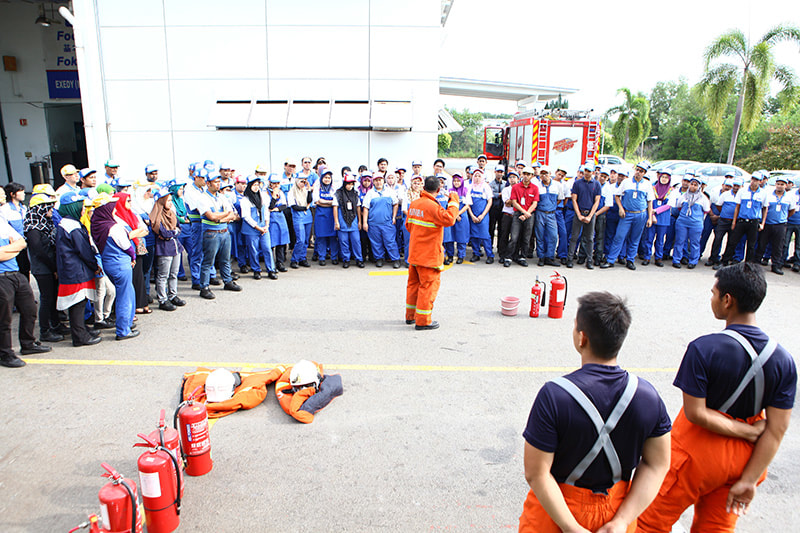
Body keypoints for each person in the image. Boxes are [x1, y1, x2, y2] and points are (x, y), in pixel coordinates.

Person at [637, 263, 796, 532]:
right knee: (717, 528)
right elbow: (777, 429)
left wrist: (744, 431)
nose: (711, 299)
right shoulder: (783, 360)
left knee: (648, 522)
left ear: (727, 300)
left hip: (698, 452)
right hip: (746, 458)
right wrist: (749, 479)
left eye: (713, 293)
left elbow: (696, 413)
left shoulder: (704, 348)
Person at [519, 291, 671, 533]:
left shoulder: (554, 395)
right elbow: (658, 465)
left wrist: (571, 527)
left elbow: (536, 473)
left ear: (582, 338)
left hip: (557, 510)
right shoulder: (647, 397)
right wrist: (621, 521)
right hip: (618, 509)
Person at [404, 176, 458, 331]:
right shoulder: (433, 207)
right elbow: (449, 219)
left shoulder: (415, 204)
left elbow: (409, 226)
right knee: (428, 287)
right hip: (428, 256)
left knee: (413, 285)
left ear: (424, 187)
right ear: (438, 190)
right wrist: (453, 200)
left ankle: (410, 316)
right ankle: (423, 320)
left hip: (414, 254)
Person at [90, 194, 142, 341]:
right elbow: (126, 246)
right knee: (124, 296)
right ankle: (123, 330)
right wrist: (132, 257)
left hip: (108, 263)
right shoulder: (114, 227)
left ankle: (126, 323)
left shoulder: (97, 223)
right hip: (120, 264)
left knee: (125, 292)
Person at [54, 192, 101, 346]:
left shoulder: (67, 223)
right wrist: (95, 266)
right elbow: (84, 250)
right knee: (77, 304)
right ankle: (80, 336)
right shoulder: (71, 226)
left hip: (75, 270)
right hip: (75, 271)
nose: (83, 211)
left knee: (79, 304)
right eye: (81, 207)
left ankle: (82, 330)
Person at [24, 192, 64, 343]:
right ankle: (45, 331)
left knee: (53, 296)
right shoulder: (33, 228)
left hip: (50, 267)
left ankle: (56, 325)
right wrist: (53, 268)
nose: (52, 211)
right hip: (43, 269)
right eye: (49, 208)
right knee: (46, 299)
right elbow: (39, 251)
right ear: (40, 208)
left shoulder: (45, 224)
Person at [602, 162, 655, 271]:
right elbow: (617, 196)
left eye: (641, 171)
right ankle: (611, 260)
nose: (638, 173)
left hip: (640, 214)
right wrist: (621, 208)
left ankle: (630, 260)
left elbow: (650, 202)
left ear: (644, 173)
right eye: (637, 170)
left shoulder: (647, 184)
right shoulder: (626, 182)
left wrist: (649, 218)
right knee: (619, 236)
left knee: (635, 238)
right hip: (627, 213)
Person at [197, 172, 241, 299]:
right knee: (208, 261)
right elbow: (210, 216)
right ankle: (204, 287)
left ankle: (227, 281)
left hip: (224, 231)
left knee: (225, 259)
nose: (218, 184)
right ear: (208, 183)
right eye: (215, 182)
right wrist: (223, 216)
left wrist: (219, 218)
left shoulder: (221, 197)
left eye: (218, 182)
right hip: (211, 233)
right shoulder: (203, 198)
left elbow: (232, 214)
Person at [715, 175, 767, 269]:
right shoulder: (743, 191)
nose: (754, 182)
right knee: (732, 242)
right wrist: (734, 222)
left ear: (760, 181)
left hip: (754, 221)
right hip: (741, 220)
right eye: (753, 179)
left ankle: (748, 265)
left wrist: (762, 223)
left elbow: (765, 208)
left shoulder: (763, 193)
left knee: (751, 245)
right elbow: (737, 207)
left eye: (757, 180)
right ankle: (725, 261)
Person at [149, 188, 187, 310]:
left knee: (174, 273)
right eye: (168, 200)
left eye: (171, 200)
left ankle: (173, 295)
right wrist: (173, 232)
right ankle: (162, 299)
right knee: (163, 275)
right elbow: (163, 233)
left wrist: (173, 232)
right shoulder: (157, 215)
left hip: (175, 247)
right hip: (164, 248)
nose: (170, 203)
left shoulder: (171, 213)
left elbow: (179, 228)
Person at [239, 176, 278, 280]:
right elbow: (246, 216)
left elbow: (266, 212)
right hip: (251, 229)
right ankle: (256, 270)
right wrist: (258, 227)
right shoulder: (245, 200)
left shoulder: (263, 197)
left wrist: (266, 225)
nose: (256, 187)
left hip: (263, 227)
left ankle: (271, 269)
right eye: (254, 185)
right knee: (253, 250)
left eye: (258, 185)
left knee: (267, 248)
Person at [755, 176, 794, 275]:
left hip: (780, 225)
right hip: (768, 223)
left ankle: (776, 265)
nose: (779, 186)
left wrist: (784, 217)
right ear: (775, 185)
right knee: (762, 244)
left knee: (778, 246)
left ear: (785, 186)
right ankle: (757, 264)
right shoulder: (769, 195)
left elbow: (792, 210)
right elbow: (764, 208)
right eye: (778, 184)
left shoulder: (789, 197)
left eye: (782, 184)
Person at [669, 176, 711, 269]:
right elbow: (679, 206)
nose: (693, 186)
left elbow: (706, 210)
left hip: (696, 224)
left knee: (694, 243)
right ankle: (676, 260)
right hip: (682, 222)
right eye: (691, 184)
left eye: (695, 185)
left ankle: (693, 261)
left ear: (699, 187)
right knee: (679, 241)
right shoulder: (683, 196)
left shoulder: (703, 198)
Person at [362, 173, 401, 268]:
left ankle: (395, 259)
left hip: (387, 223)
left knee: (390, 241)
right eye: (376, 180)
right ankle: (379, 258)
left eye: (380, 180)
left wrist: (393, 216)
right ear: (373, 182)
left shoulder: (390, 192)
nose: (378, 182)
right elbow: (366, 208)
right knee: (376, 242)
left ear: (383, 180)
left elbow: (395, 204)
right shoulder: (370, 193)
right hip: (373, 223)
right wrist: (365, 222)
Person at [567, 165, 602, 269]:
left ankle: (589, 260)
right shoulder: (577, 183)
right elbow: (574, 199)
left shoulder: (597, 184)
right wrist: (579, 215)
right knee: (574, 236)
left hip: (590, 214)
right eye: (585, 170)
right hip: (579, 212)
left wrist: (590, 216)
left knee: (590, 238)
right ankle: (570, 259)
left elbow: (597, 201)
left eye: (589, 171)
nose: (587, 172)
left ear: (593, 172)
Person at [503, 166, 539, 267]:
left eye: (528, 174)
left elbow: (534, 203)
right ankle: (508, 257)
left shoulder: (535, 188)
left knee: (526, 237)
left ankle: (522, 256)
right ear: (522, 175)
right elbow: (514, 202)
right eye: (525, 174)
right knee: (514, 237)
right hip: (518, 214)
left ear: (532, 176)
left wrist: (527, 214)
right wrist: (524, 212)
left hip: (529, 215)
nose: (526, 176)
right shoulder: (516, 187)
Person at [333, 173, 364, 268]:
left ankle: (359, 259)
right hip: (342, 219)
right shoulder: (338, 194)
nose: (350, 186)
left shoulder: (355, 194)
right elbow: (335, 208)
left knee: (356, 241)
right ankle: (346, 259)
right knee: (343, 241)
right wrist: (336, 222)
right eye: (348, 183)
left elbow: (358, 208)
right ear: (344, 183)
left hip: (354, 220)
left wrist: (359, 221)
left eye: (352, 184)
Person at [534, 167, 563, 267]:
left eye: (546, 173)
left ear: (550, 173)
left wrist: (552, 206)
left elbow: (560, 199)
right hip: (540, 213)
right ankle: (541, 257)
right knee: (540, 235)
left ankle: (549, 257)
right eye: (542, 174)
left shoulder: (557, 185)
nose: (544, 176)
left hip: (551, 213)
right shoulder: (537, 186)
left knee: (553, 236)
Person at [1, 182, 30, 280]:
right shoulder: (5, 209)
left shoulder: (24, 208)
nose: (23, 194)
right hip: (14, 244)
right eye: (20, 191)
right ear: (12, 194)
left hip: (26, 243)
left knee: (26, 269)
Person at [467, 169, 495, 264]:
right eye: (475, 176)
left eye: (479, 176)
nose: (477, 178)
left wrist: (482, 215)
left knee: (485, 236)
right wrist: (472, 215)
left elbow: (489, 202)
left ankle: (490, 255)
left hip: (483, 216)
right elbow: (468, 204)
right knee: (474, 236)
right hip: (473, 215)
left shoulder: (486, 187)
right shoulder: (470, 187)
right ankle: (476, 253)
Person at [312, 169, 339, 266]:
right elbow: (316, 201)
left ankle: (334, 257)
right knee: (321, 237)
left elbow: (336, 201)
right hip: (320, 216)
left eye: (329, 178)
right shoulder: (317, 187)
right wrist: (330, 203)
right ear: (321, 178)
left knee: (333, 237)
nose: (327, 179)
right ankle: (322, 257)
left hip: (332, 215)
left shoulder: (334, 188)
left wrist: (323, 202)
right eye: (325, 177)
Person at [288, 175, 314, 269]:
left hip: (307, 216)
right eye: (301, 182)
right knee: (300, 239)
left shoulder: (305, 190)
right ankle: (294, 259)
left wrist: (309, 189)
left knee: (306, 239)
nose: (302, 184)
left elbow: (309, 200)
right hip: (298, 215)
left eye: (304, 182)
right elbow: (294, 206)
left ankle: (303, 258)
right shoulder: (292, 192)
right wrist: (304, 208)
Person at [445, 173, 471, 265]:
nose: (456, 183)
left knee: (461, 238)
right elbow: (447, 204)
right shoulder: (449, 191)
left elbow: (467, 205)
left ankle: (461, 256)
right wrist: (454, 215)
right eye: (454, 181)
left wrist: (458, 214)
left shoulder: (465, 191)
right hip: (451, 216)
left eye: (458, 181)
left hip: (462, 216)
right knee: (450, 237)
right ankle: (450, 255)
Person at [266, 175, 290, 272]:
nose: (276, 185)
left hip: (280, 218)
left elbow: (284, 205)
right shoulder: (265, 193)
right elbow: (269, 207)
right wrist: (274, 197)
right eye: (273, 183)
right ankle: (271, 263)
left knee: (281, 241)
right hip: (271, 219)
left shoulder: (281, 193)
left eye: (277, 183)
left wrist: (276, 208)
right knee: (271, 242)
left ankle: (280, 262)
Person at [498, 170, 520, 266]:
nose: (512, 179)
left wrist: (513, 201)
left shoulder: (521, 189)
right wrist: (515, 200)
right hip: (507, 215)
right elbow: (507, 203)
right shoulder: (506, 190)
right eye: (510, 178)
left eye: (514, 177)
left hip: (517, 214)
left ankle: (514, 254)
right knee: (504, 235)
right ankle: (502, 255)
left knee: (516, 237)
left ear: (518, 179)